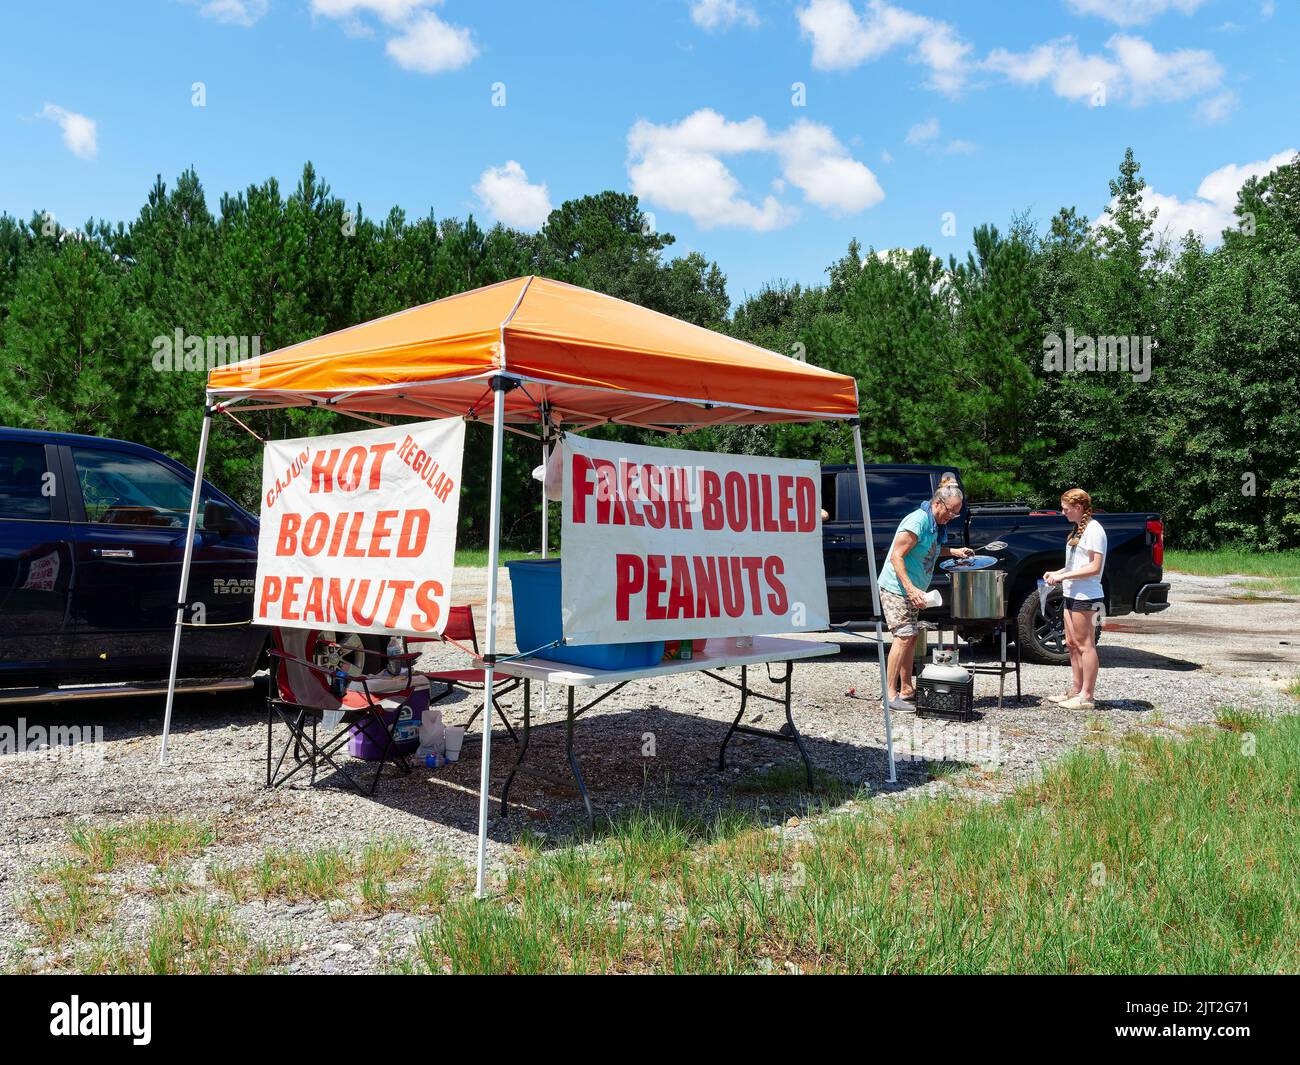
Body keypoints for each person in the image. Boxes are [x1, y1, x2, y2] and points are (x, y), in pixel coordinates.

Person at [877, 479, 973, 711]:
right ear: (938, 504)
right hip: (896, 588)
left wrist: (955, 551)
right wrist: (910, 590)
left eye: (957, 513)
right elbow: (896, 556)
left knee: (911, 638)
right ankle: (890, 696)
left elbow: (930, 548)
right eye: (951, 511)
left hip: (914, 591)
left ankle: (907, 689)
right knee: (902, 637)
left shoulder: (935, 525)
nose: (953, 516)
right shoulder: (917, 521)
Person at [1043, 488, 1107, 711]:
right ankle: (1076, 689)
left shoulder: (1094, 530)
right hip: (1071, 593)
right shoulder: (1077, 530)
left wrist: (1063, 576)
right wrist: (1057, 572)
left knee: (1085, 644)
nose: (1063, 512)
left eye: (1066, 508)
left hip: (1086, 596)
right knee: (1071, 644)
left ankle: (1087, 696)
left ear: (1078, 508)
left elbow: (1094, 567)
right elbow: (1075, 565)